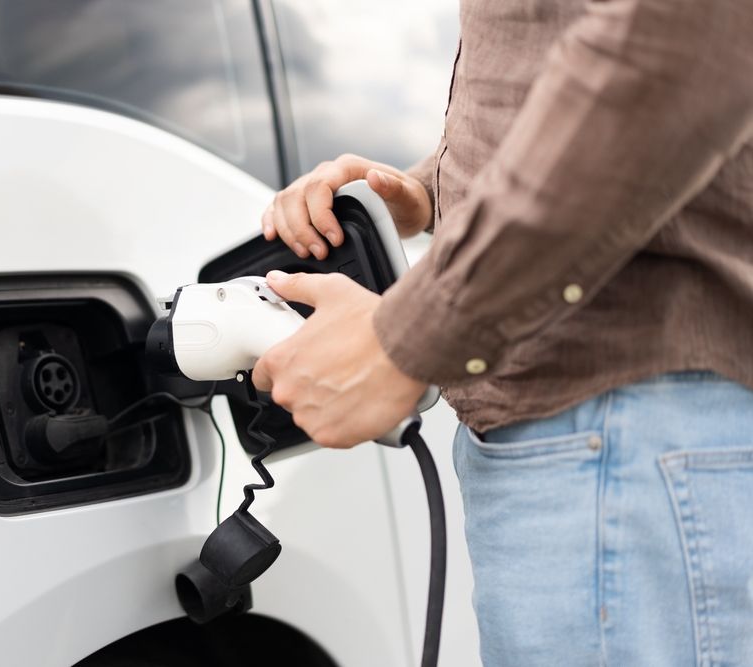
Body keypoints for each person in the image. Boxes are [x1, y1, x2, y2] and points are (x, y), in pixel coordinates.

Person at [250, 0, 753, 664]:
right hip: (601, 443)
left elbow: (675, 39)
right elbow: (553, 69)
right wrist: (429, 191)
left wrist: (406, 337)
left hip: (617, 432)